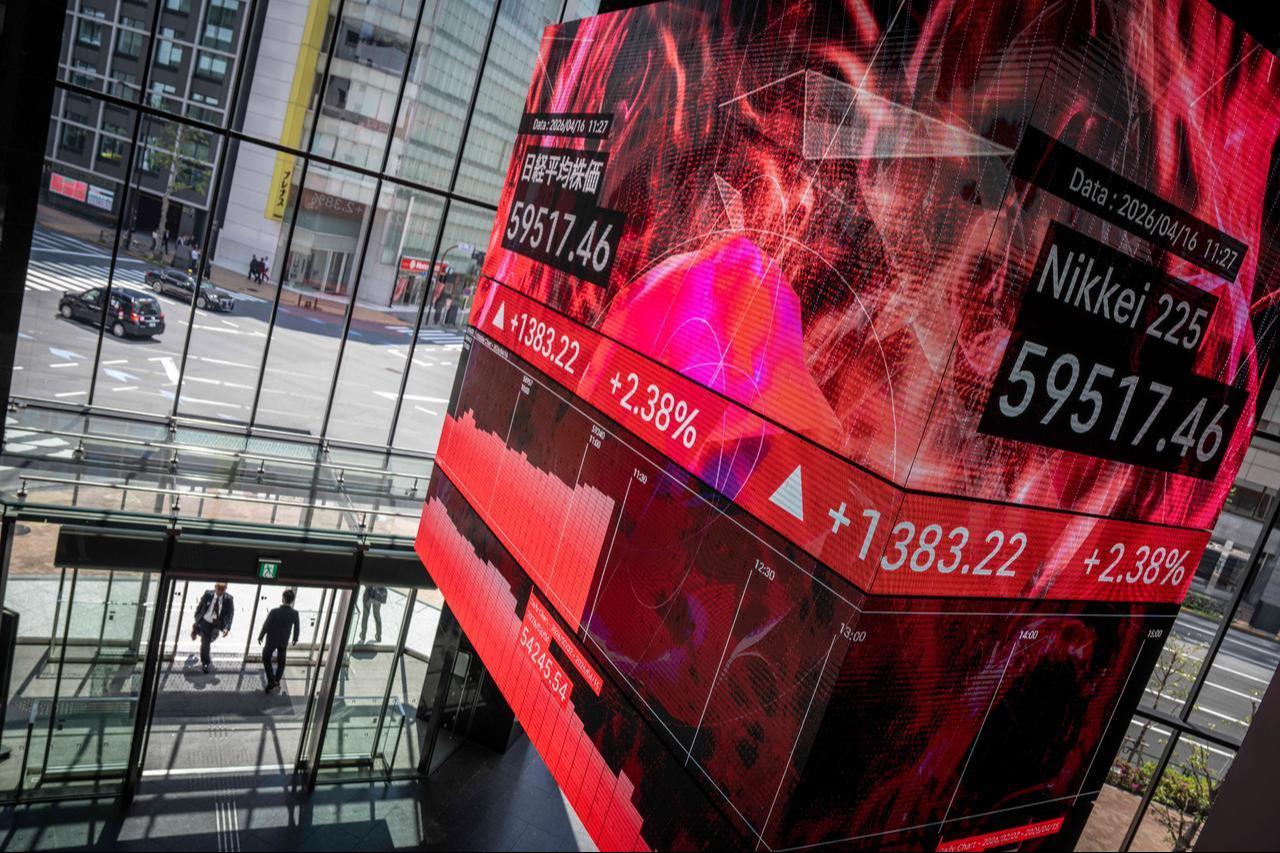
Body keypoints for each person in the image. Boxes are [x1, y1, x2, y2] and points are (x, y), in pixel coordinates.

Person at [258, 589, 300, 693]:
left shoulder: (274, 611)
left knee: (266, 657)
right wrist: (295, 638)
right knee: (281, 661)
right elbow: (297, 627)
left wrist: (261, 636)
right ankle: (277, 679)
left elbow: (266, 625)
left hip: (272, 640)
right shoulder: (294, 613)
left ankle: (271, 680)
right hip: (283, 640)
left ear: (283, 598)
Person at [191, 582, 235, 673]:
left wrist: (227, 627)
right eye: (219, 589)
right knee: (206, 643)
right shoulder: (208, 594)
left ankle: (197, 630)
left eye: (223, 590)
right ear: (215, 587)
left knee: (211, 639)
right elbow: (200, 606)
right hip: (206, 621)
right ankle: (205, 663)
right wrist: (197, 617)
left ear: (226, 589)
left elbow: (230, 614)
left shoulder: (229, 599)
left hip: (217, 624)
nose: (220, 592)